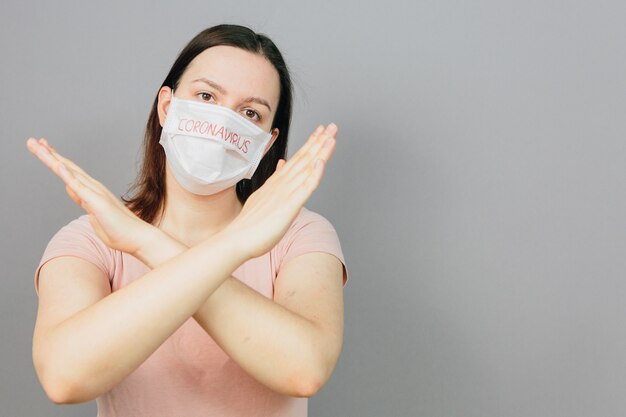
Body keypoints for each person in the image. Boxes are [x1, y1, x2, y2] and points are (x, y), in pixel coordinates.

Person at [26, 24, 348, 417]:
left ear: (265, 142)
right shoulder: (89, 240)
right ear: (167, 106)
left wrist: (146, 243)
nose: (222, 122)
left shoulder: (301, 235)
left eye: (250, 112)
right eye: (207, 95)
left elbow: (304, 369)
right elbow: (64, 377)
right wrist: (236, 245)